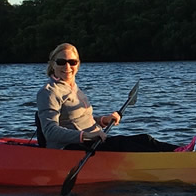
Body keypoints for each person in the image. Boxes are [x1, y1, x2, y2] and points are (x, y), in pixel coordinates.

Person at [36, 43, 174, 151]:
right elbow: (50, 131)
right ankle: (179, 158)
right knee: (125, 144)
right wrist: (87, 136)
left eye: (72, 62)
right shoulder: (49, 92)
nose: (67, 66)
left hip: (93, 141)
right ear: (53, 64)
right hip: (69, 148)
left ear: (77, 65)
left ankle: (183, 152)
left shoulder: (73, 87)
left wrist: (103, 120)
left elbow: (77, 119)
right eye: (61, 62)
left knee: (144, 139)